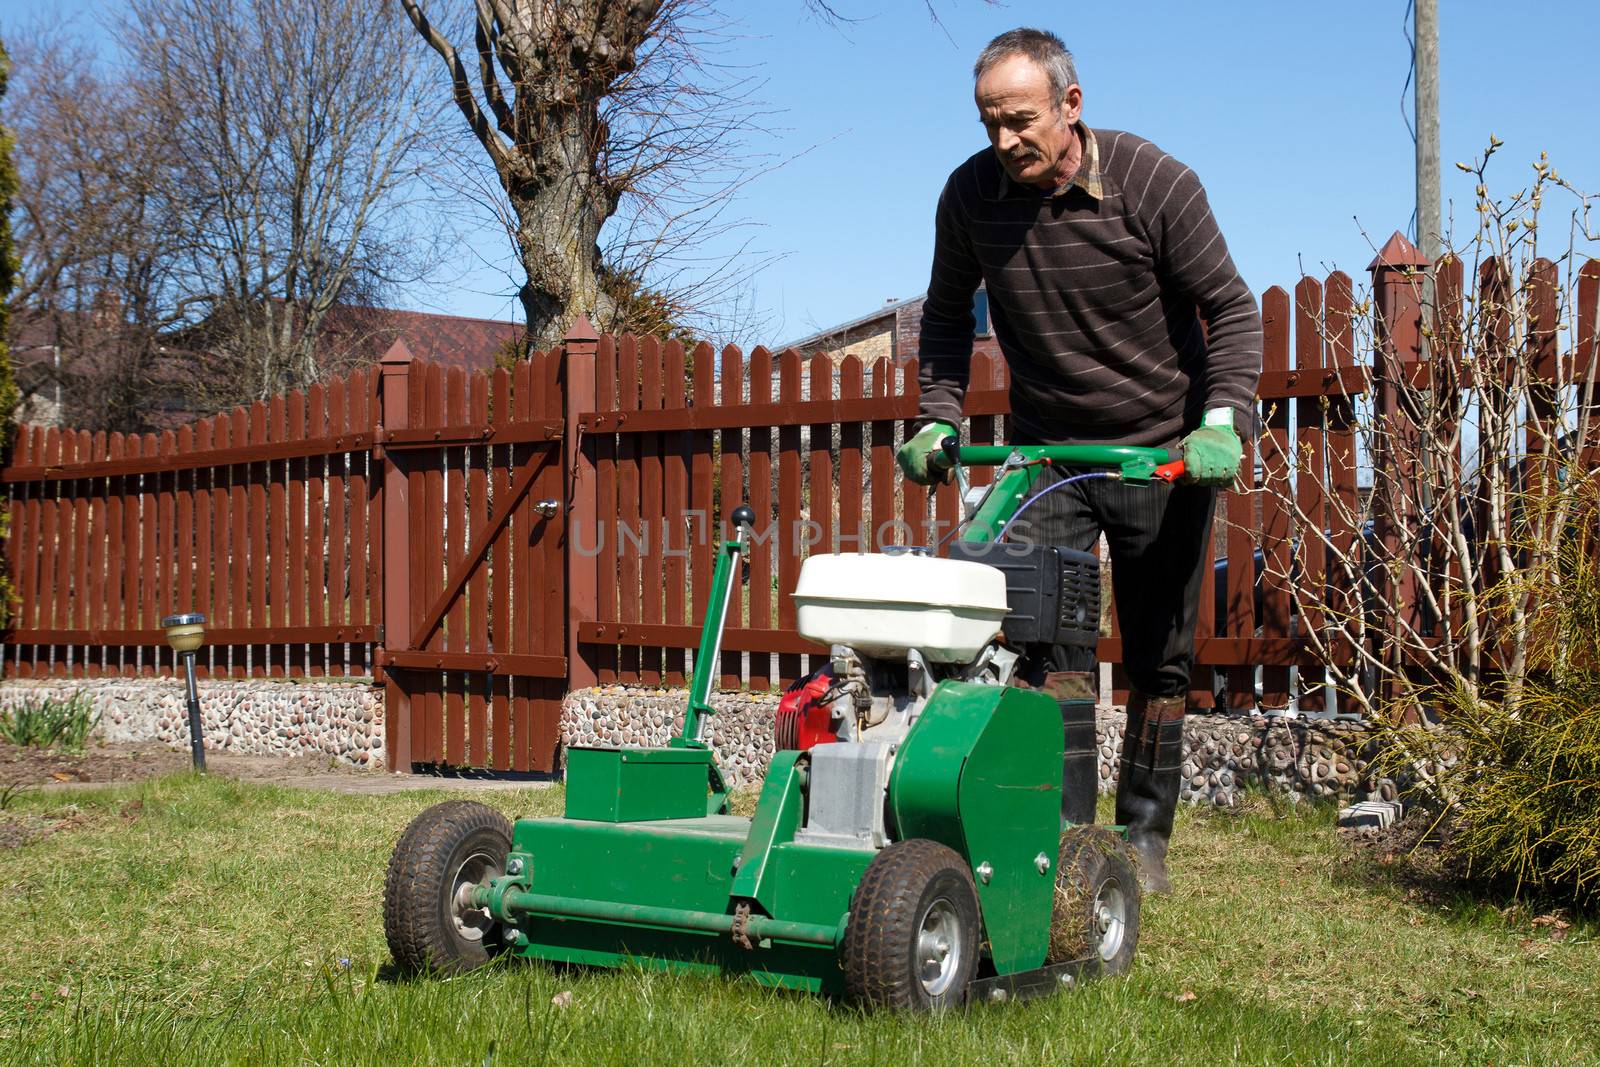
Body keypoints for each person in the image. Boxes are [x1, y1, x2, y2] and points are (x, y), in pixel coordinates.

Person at [896, 27, 1262, 893]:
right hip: (1051, 454)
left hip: (1156, 457)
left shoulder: (1155, 183)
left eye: (1019, 120)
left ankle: (1143, 840)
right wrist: (936, 417)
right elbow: (947, 317)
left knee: (1157, 657)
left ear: (1071, 105)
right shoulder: (970, 196)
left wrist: (1219, 422)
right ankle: (1062, 841)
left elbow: (1232, 310)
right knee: (1048, 650)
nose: (1003, 141)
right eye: (988, 122)